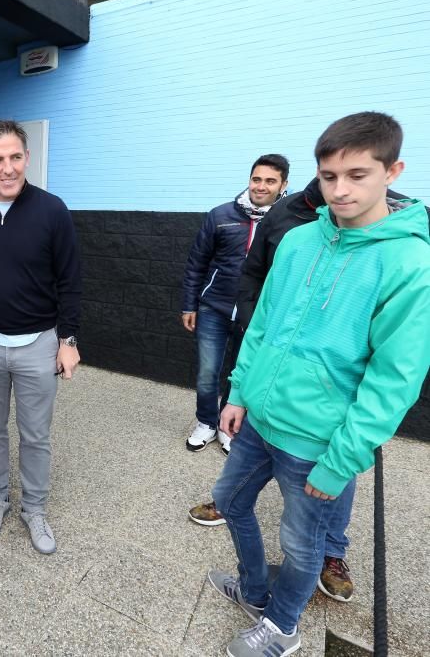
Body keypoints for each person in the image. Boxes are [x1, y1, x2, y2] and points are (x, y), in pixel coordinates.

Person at [209, 112, 430, 657]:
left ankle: (282, 630)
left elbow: (395, 378)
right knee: (229, 501)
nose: (340, 189)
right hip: (260, 418)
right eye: (329, 176)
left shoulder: (408, 261)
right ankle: (257, 593)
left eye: (358, 174)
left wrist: (343, 459)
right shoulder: (300, 239)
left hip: (318, 441)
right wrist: (239, 392)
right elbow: (263, 323)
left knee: (301, 543)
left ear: (392, 171)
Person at [0, 119, 82, 555]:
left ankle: (34, 507)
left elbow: (70, 280)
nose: (7, 168)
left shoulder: (52, 210)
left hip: (39, 344)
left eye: (15, 157)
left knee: (35, 435)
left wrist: (68, 341)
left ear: (27, 158)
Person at [180, 155, 288, 454]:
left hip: (257, 313)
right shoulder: (220, 215)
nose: (261, 186)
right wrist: (189, 305)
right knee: (207, 370)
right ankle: (206, 422)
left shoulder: (287, 223)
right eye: (257, 179)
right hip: (214, 307)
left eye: (270, 181)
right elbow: (196, 263)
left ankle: (228, 426)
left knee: (239, 373)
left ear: (283, 185)